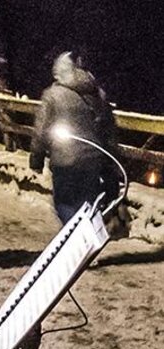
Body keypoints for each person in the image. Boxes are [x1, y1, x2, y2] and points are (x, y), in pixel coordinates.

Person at [30, 51, 119, 225]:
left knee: (64, 203)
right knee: (87, 205)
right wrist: (110, 161)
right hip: (94, 159)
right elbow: (108, 130)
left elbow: (41, 130)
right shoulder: (98, 94)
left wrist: (36, 159)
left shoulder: (53, 94)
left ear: (58, 72)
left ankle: (76, 239)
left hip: (65, 161)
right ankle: (86, 239)